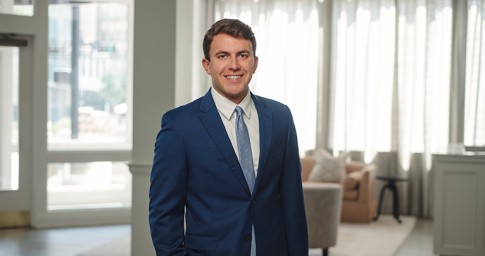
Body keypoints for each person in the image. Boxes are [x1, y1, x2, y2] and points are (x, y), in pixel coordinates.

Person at [149, 18, 308, 256]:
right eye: (223, 56)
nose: (234, 65)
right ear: (207, 64)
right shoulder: (179, 125)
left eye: (243, 55)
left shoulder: (280, 117)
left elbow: (292, 201)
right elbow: (164, 213)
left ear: (255, 63)